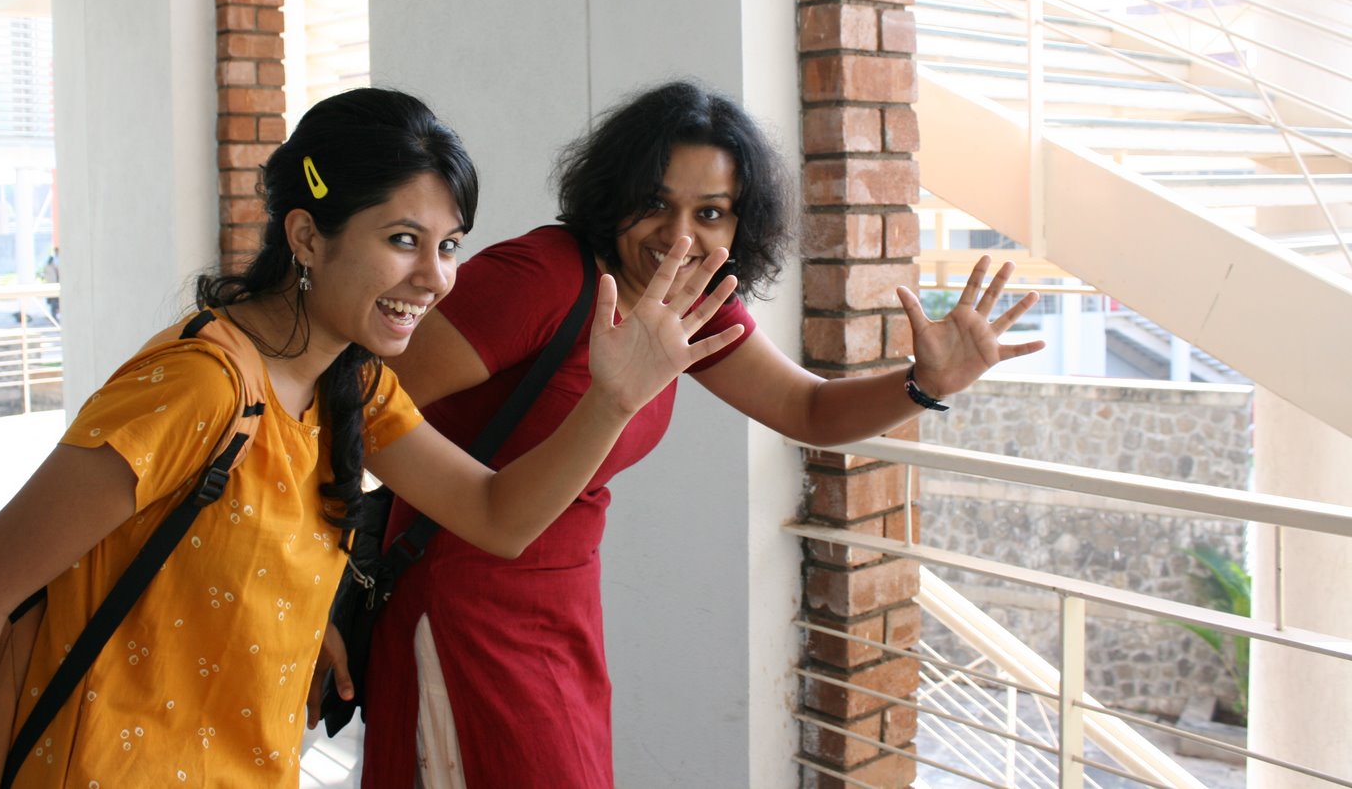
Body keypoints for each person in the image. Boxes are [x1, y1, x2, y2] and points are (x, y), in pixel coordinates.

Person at [0, 88, 745, 789]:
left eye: (449, 246)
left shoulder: (353, 386)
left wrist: (613, 400)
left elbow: (496, 516)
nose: (435, 279)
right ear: (307, 236)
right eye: (403, 240)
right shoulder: (202, 385)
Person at [355, 81, 1044, 789]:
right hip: (460, 599)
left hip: (562, 605)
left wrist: (924, 383)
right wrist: (315, 583)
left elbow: (808, 410)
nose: (679, 236)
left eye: (710, 212)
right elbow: (351, 404)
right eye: (655, 203)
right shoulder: (542, 278)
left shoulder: (694, 301)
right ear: (614, 194)